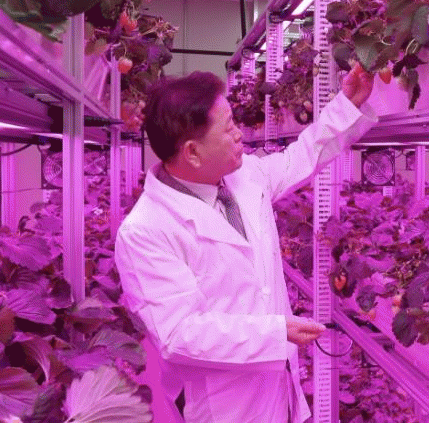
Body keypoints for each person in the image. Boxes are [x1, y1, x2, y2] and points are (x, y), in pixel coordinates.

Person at [114, 62, 376, 423]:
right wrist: (274, 332)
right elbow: (178, 334)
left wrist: (347, 104)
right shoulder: (146, 231)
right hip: (225, 406)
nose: (240, 135)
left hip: (276, 388)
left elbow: (300, 158)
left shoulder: (242, 176)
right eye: (229, 127)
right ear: (192, 152)